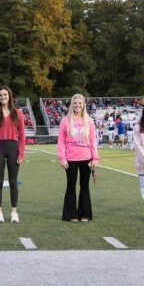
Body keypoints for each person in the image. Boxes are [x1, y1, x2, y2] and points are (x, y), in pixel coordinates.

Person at [57, 93, 99, 222]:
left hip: (86, 157)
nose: (77, 105)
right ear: (72, 104)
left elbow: (93, 141)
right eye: (75, 103)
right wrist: (62, 158)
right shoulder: (65, 121)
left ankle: (84, 214)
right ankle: (71, 214)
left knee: (84, 185)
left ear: (84, 105)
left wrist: (95, 158)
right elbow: (61, 141)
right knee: (71, 185)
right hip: (70, 158)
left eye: (80, 103)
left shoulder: (89, 121)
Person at [0, 86, 26, 223]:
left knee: (13, 182)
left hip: (13, 149)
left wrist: (21, 154)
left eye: (5, 94)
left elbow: (22, 136)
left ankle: (14, 212)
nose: (3, 97)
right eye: (0, 95)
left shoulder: (18, 113)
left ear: (9, 96)